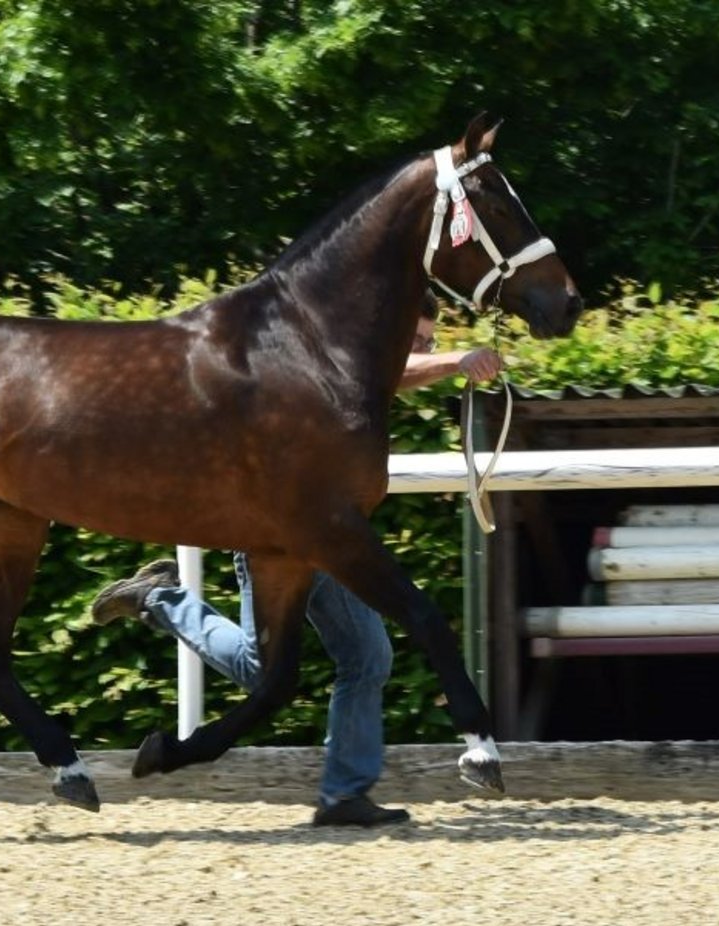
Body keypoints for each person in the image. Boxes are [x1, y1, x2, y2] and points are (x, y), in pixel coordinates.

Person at [92, 301, 502, 827]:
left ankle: (343, 796)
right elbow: (393, 366)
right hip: (277, 540)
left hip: (328, 538)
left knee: (366, 656)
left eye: (428, 341)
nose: (423, 350)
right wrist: (456, 360)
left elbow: (393, 372)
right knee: (264, 669)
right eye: (417, 339)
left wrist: (446, 361)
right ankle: (160, 599)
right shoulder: (341, 353)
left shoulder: (352, 359)